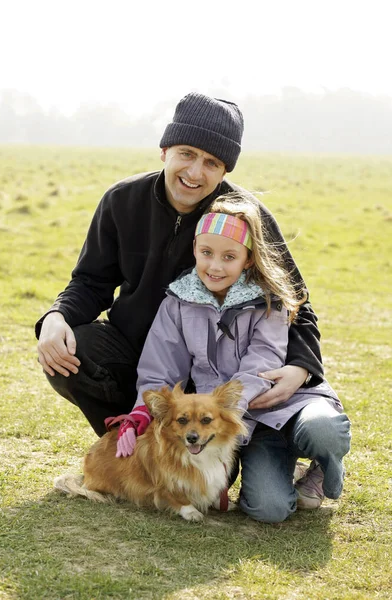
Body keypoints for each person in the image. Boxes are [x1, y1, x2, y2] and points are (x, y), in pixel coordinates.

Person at [36, 92, 322, 441]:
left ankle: (202, 451)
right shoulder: (121, 201)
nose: (195, 172)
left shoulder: (246, 218)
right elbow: (90, 282)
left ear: (225, 170)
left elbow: (295, 303)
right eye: (186, 154)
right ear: (165, 151)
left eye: (212, 162)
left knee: (208, 488)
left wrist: (302, 367)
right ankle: (131, 444)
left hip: (209, 382)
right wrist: (56, 316)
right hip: (133, 354)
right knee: (70, 350)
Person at [113, 194, 351, 522]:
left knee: (323, 430)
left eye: (229, 257)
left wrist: (225, 411)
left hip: (288, 403)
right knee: (269, 510)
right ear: (195, 248)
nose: (215, 266)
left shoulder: (269, 300)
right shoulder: (177, 303)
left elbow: (262, 359)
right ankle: (280, 465)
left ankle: (325, 469)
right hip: (246, 424)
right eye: (206, 253)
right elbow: (161, 365)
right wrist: (141, 412)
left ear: (248, 259)